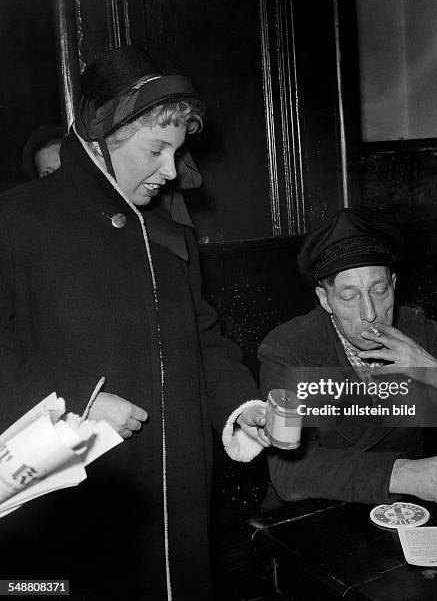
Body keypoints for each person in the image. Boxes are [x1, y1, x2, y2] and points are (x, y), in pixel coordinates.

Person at [0, 46, 268, 600]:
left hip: (179, 508)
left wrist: (241, 408)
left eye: (178, 151)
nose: (171, 171)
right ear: (103, 138)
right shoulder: (17, 220)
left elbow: (205, 342)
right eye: (156, 150)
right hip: (66, 499)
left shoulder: (170, 237)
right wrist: (81, 397)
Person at [259, 209, 437, 509]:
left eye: (379, 290)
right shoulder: (287, 348)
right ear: (324, 299)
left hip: (402, 513)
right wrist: (406, 474)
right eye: (349, 296)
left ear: (394, 284)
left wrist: (432, 371)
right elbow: (289, 473)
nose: (369, 312)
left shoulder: (417, 331)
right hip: (313, 517)